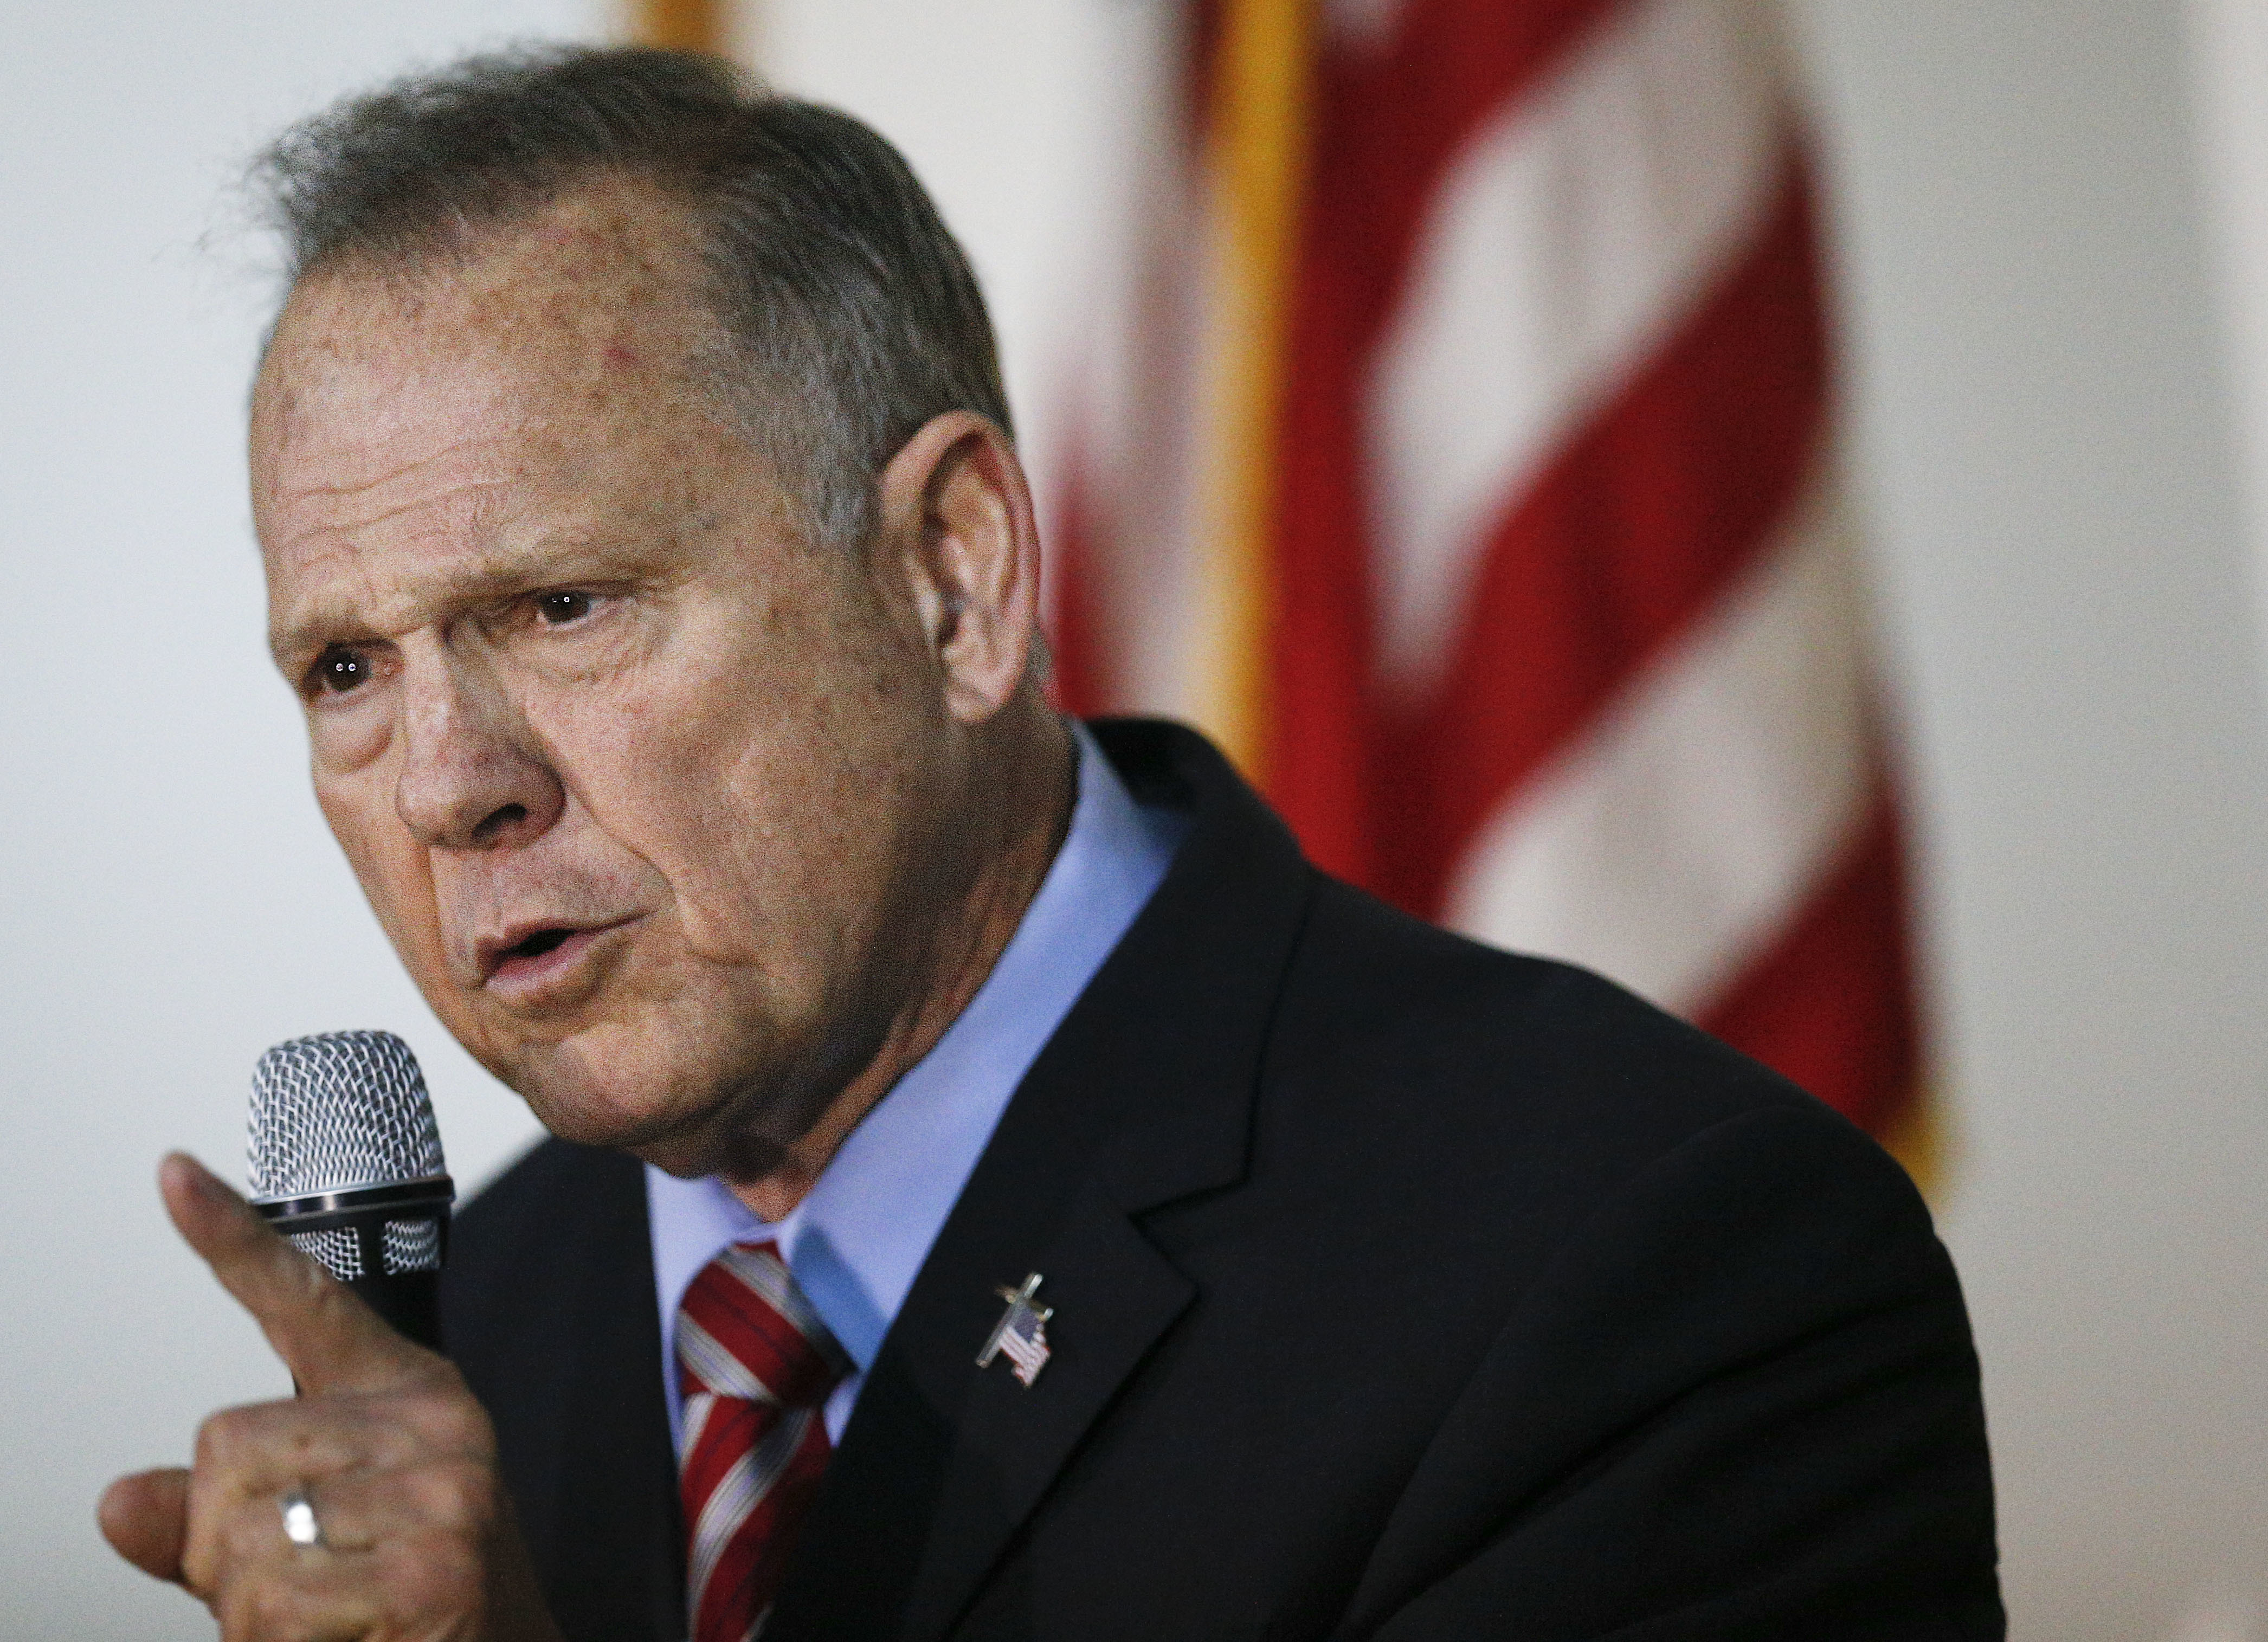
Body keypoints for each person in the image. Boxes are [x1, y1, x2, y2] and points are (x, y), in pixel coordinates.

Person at [97, 46, 2002, 1641]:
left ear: (955, 577)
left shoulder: (1649, 1275)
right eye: (346, 665)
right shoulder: (471, 1346)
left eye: (564, 607)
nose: (447, 781)